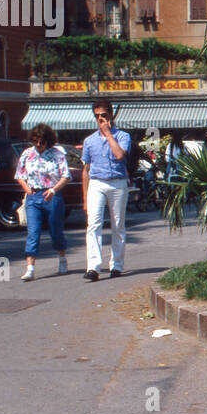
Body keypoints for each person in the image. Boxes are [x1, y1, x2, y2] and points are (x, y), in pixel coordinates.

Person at [81, 98, 131, 281]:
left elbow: (119, 155)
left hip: (117, 183)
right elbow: (86, 170)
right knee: (93, 225)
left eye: (104, 115)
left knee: (117, 225)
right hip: (97, 183)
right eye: (97, 116)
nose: (100, 119)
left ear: (111, 114)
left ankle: (116, 265)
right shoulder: (89, 141)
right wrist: (85, 198)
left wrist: (108, 134)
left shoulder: (123, 136)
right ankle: (93, 267)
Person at [14, 124, 70, 281]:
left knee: (55, 231)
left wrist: (53, 190)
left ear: (48, 141)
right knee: (33, 232)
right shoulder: (27, 154)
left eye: (42, 142)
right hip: (34, 196)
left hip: (51, 195)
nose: (39, 145)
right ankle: (30, 268)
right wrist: (26, 188)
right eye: (36, 141)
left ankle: (62, 258)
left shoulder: (57, 154)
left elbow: (66, 176)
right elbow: (19, 174)